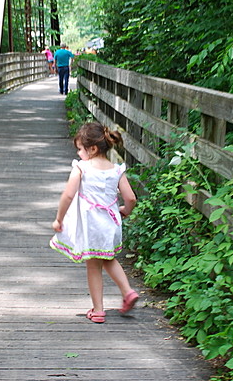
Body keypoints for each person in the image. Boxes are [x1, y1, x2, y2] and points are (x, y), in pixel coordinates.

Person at [50, 122, 139, 323]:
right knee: (108, 258)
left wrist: (59, 219)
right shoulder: (117, 170)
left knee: (93, 265)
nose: (79, 154)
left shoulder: (81, 168)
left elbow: (68, 195)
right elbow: (131, 198)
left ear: (92, 148)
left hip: (91, 226)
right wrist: (125, 210)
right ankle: (127, 291)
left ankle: (98, 310)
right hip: (110, 224)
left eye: (80, 149)